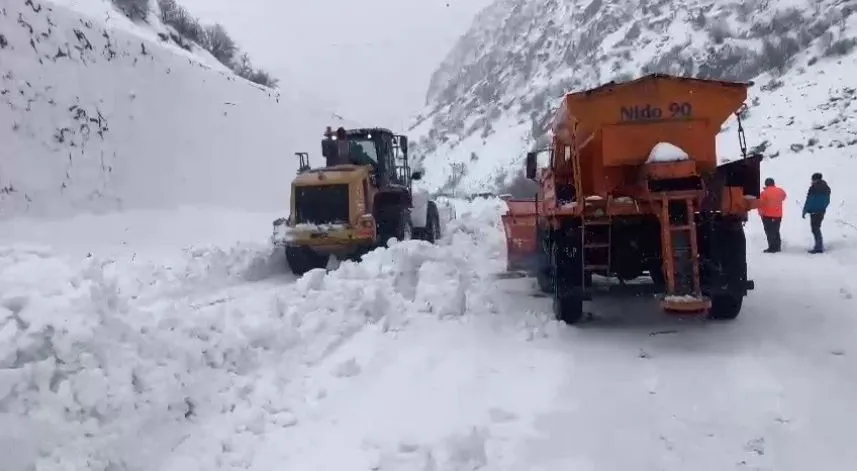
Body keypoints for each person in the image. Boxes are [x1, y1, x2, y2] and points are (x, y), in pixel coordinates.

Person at [802, 172, 831, 254]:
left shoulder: (813, 188)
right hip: (821, 211)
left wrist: (805, 211)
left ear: (815, 179)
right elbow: (827, 201)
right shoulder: (826, 188)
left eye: (812, 179)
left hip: (814, 212)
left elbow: (809, 201)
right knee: (817, 228)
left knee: (815, 229)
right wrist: (823, 207)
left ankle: (818, 247)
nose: (812, 181)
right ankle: (819, 245)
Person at [759, 177, 786, 253]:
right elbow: (784, 197)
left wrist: (761, 214)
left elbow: (760, 204)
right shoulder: (780, 191)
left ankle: (772, 248)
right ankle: (778, 247)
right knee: (776, 231)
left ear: (766, 184)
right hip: (778, 215)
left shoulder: (764, 193)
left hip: (767, 215)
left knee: (769, 232)